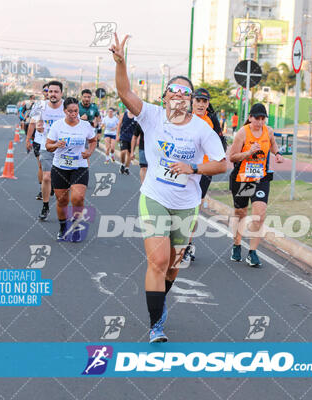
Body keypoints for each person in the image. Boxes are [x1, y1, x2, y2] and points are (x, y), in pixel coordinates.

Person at [111, 33, 227, 342]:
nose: (178, 96)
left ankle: (160, 301)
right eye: (173, 91)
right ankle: (155, 325)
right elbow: (124, 91)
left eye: (185, 93)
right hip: (155, 197)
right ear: (165, 97)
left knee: (174, 266)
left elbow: (222, 163)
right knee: (159, 261)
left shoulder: (202, 128)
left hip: (186, 202)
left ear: (190, 100)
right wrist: (121, 62)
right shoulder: (151, 116)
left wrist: (194, 168)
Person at [228, 103, 283, 267]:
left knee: (259, 215)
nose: (260, 122)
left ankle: (252, 252)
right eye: (257, 118)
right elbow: (232, 157)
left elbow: (272, 143)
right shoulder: (242, 133)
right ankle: (237, 244)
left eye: (262, 118)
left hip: (261, 179)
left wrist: (277, 153)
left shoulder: (269, 131)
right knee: (241, 212)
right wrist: (249, 152)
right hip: (244, 179)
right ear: (250, 117)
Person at [180, 88, 227, 267]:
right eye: (198, 100)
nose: (201, 104)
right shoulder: (184, 116)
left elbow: (221, 145)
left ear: (208, 104)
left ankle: (187, 246)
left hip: (204, 169)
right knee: (177, 205)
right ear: (192, 101)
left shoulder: (212, 120)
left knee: (193, 209)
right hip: (184, 168)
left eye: (204, 101)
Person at [46, 97, 97, 240]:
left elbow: (93, 140)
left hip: (79, 166)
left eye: (76, 111)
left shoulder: (85, 125)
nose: (73, 114)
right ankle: (63, 228)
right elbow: (48, 146)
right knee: (62, 201)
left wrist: (89, 152)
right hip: (60, 167)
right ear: (64, 111)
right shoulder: (57, 125)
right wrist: (56, 145)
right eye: (70, 111)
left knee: (78, 198)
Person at [31, 80, 65, 220]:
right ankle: (45, 206)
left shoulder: (66, 106)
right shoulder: (41, 106)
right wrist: (37, 127)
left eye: (56, 91)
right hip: (47, 146)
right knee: (46, 176)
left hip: (64, 148)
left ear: (61, 93)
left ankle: (63, 208)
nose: (53, 94)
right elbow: (34, 121)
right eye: (50, 91)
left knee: (63, 182)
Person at [27, 84, 49, 200]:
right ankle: (42, 189)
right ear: (43, 92)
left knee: (54, 167)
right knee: (41, 165)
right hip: (39, 140)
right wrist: (28, 140)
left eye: (50, 90)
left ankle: (52, 186)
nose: (48, 92)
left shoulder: (61, 106)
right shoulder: (38, 105)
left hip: (54, 141)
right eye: (46, 90)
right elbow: (32, 123)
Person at [116, 109, 139, 175]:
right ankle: (122, 164)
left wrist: (138, 139)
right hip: (124, 136)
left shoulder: (136, 116)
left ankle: (127, 168)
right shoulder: (123, 114)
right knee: (123, 151)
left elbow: (139, 128)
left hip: (133, 138)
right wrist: (117, 135)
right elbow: (119, 125)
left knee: (129, 153)